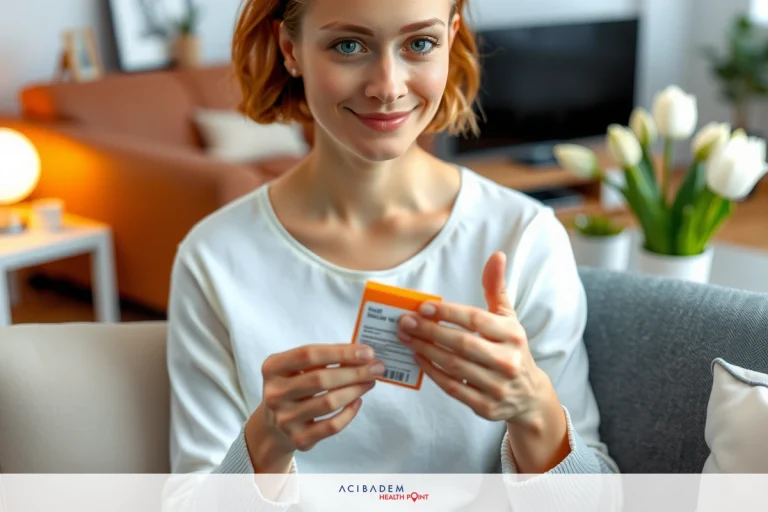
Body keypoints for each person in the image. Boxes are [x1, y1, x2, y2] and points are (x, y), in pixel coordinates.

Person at [166, 0, 619, 506]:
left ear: (450, 38)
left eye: (419, 44)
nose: (388, 86)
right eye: (349, 45)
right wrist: (266, 442)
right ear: (290, 49)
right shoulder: (213, 258)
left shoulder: (524, 237)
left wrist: (534, 407)